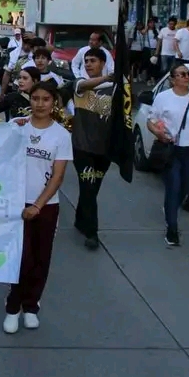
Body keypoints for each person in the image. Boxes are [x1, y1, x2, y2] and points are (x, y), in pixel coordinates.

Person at [4, 80, 72, 334]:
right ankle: (13, 308)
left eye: (45, 99)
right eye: (35, 99)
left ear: (54, 102)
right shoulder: (16, 127)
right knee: (22, 259)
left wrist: (37, 205)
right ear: (29, 100)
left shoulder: (61, 135)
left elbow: (58, 176)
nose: (40, 104)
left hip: (45, 206)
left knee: (41, 259)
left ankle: (31, 306)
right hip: (15, 204)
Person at [146, 63, 189, 247]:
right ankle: (172, 229)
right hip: (170, 149)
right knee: (174, 186)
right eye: (182, 74)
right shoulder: (163, 98)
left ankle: (170, 208)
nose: (187, 77)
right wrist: (158, 132)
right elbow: (151, 121)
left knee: (185, 187)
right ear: (173, 79)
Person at [66, 48, 114, 250]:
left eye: (93, 61)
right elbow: (84, 84)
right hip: (82, 147)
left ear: (103, 63)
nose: (88, 64)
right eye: (86, 61)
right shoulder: (80, 84)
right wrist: (108, 78)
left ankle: (80, 219)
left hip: (104, 150)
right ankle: (92, 233)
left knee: (92, 189)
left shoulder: (115, 89)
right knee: (88, 187)